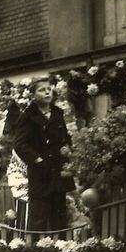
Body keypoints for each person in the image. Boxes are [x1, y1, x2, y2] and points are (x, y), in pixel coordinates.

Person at [13, 76, 76, 231]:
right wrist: (38, 160)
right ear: (33, 94)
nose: (47, 92)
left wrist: (69, 152)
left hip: (59, 172)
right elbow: (20, 145)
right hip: (41, 174)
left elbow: (65, 138)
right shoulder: (28, 116)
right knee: (38, 219)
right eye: (42, 90)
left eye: (49, 89)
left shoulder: (57, 114)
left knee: (60, 219)